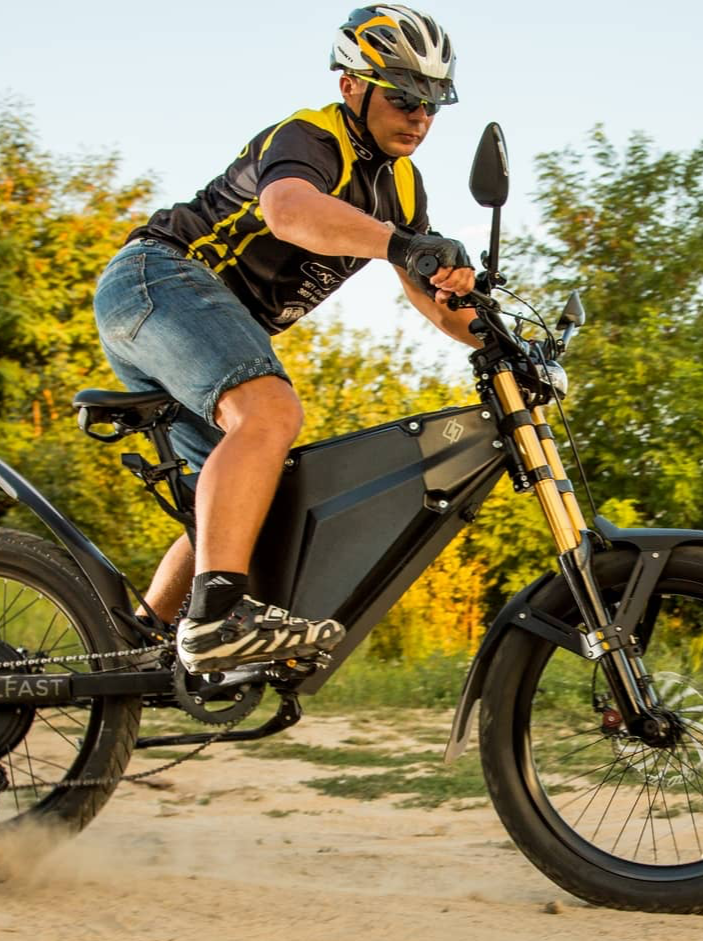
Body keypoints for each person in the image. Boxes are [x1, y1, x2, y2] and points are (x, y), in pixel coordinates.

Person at [93, 4, 479, 674]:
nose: (419, 116)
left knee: (247, 500)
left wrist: (501, 338)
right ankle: (215, 620)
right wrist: (402, 244)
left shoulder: (403, 188)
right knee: (271, 413)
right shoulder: (311, 136)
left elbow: (436, 306)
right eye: (403, 97)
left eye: (433, 103)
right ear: (351, 86)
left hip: (194, 323)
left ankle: (135, 647)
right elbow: (289, 211)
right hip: (157, 280)